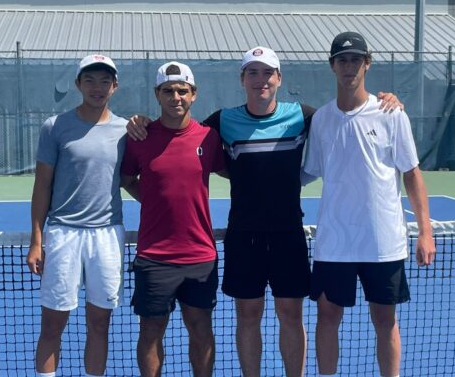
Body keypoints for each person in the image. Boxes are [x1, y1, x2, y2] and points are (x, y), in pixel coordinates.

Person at [127, 47, 403, 376]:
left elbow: (346, 113)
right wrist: (140, 121)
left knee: (290, 314)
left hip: (288, 234)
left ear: (279, 78)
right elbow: (178, 133)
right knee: (248, 315)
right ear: (243, 79)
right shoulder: (222, 121)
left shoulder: (304, 116)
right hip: (245, 236)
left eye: (267, 72)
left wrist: (384, 101)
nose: (261, 80)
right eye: (253, 73)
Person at [303, 32, 436, 377]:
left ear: (367, 63)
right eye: (343, 60)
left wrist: (425, 232)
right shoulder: (321, 120)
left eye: (356, 60)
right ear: (332, 66)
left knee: (384, 320)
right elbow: (309, 172)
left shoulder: (391, 114)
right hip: (334, 243)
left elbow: (412, 174)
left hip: (383, 243)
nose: (350, 67)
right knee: (327, 317)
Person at [27, 54, 135, 377]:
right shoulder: (55, 127)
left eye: (105, 81)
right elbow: (42, 186)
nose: (97, 87)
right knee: (53, 324)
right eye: (89, 80)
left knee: (100, 322)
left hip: (107, 236)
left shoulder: (127, 131)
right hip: (62, 235)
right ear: (78, 84)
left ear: (114, 86)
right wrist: (37, 240)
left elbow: (133, 181)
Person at [120, 62, 226, 377]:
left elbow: (237, 173)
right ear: (157, 94)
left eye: (182, 90)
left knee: (201, 328)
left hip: (199, 255)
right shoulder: (139, 136)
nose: (175, 97)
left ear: (193, 95)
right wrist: (152, 199)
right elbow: (126, 179)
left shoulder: (209, 138)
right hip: (154, 257)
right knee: (151, 330)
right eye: (168, 90)